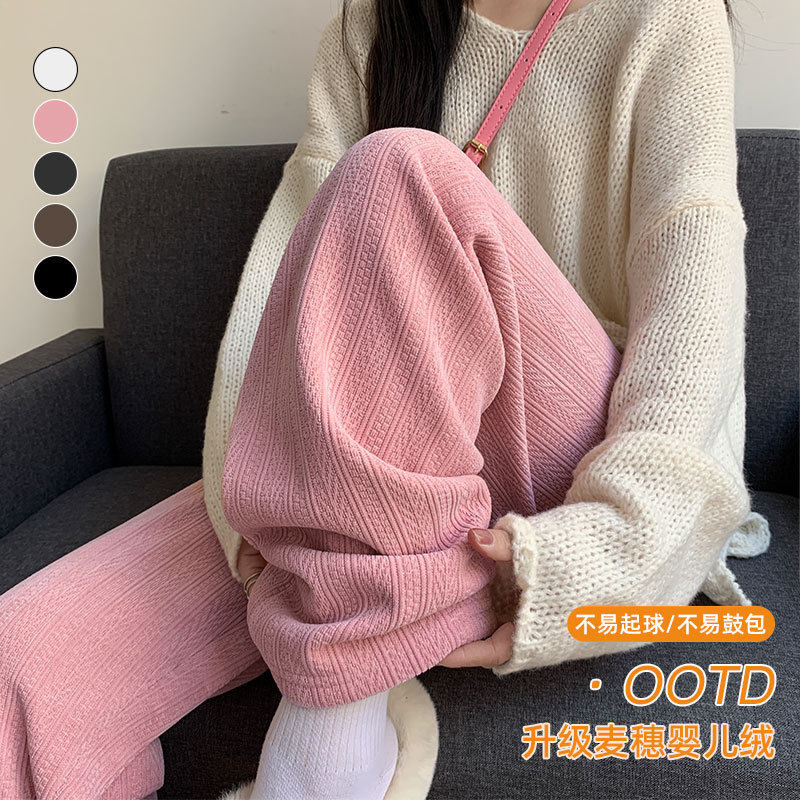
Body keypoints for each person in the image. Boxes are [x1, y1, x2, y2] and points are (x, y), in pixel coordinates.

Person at [0, 0, 772, 799]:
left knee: (399, 169)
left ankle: (325, 759)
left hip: (568, 451)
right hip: (374, 458)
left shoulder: (665, 17)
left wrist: (616, 544)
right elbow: (282, 289)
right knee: (25, 668)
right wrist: (243, 509)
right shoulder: (374, 26)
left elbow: (694, 300)